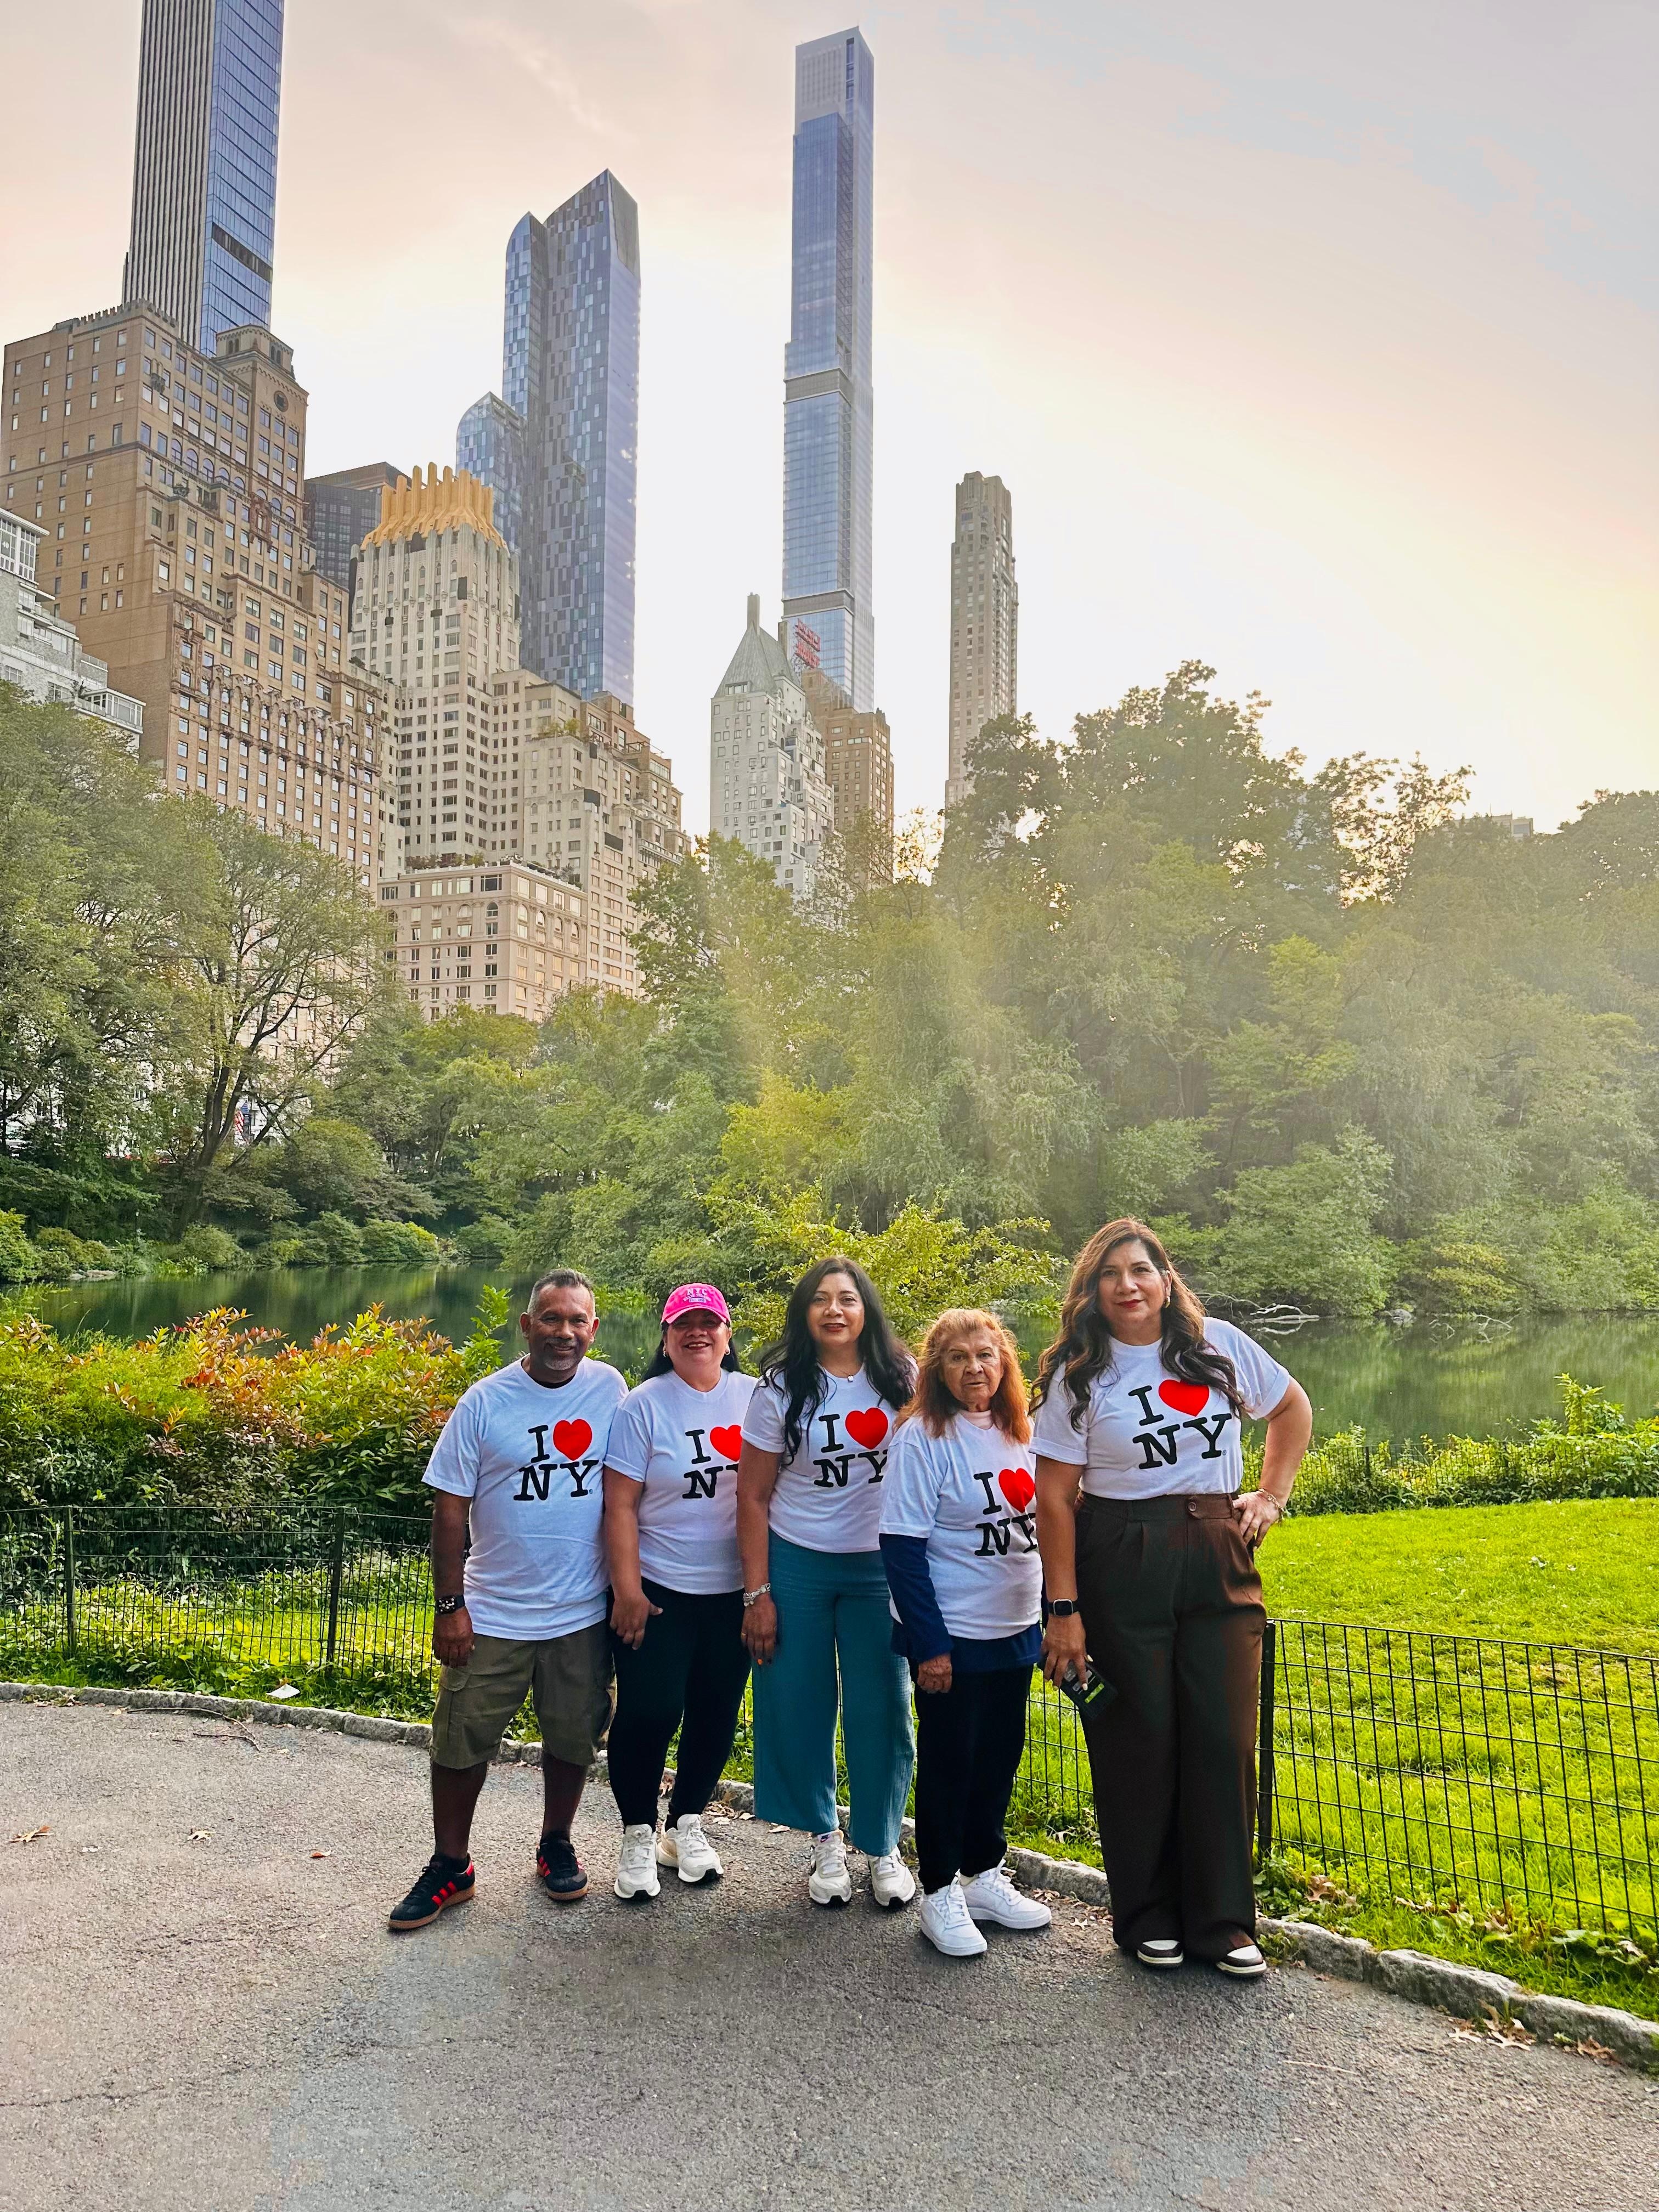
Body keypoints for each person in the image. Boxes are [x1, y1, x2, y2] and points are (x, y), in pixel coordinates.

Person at [1031, 1219, 1312, 1979]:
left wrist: (1271, 1496)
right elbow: (1053, 1499)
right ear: (1092, 1291)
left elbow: (1292, 1409)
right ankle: (1148, 1914)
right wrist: (1064, 1611)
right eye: (1110, 1274)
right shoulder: (1079, 1375)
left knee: (1224, 1735)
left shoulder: (1217, 1346)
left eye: (1141, 1270)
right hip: (1122, 1553)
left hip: (1218, 1548)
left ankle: (1223, 1922)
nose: (1127, 1285)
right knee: (1139, 1735)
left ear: (1165, 1279)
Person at [388, 1269, 625, 1932]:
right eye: (551, 1318)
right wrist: (450, 1605)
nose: (564, 1333)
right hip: (493, 1612)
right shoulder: (486, 1402)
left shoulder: (611, 1388)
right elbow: (449, 1508)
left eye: (577, 1321)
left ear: (594, 1329)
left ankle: (556, 1844)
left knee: (573, 1736)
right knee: (460, 1740)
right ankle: (451, 1864)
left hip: (581, 1611)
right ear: (527, 1326)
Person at [737, 1257, 918, 1909]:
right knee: (798, 1700)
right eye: (820, 1299)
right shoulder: (779, 1388)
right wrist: (757, 1594)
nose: (834, 1310)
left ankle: (883, 1843)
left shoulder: (903, 1378)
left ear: (867, 1309)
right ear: (804, 1313)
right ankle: (824, 1837)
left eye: (847, 1298)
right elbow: (752, 1496)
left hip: (880, 1567)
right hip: (798, 1562)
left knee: (884, 1707)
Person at [878, 1308, 1054, 1960]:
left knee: (1000, 1756)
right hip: (953, 1635)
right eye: (957, 1357)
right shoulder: (922, 1438)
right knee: (950, 1761)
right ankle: (939, 1890)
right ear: (937, 1370)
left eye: (985, 1355)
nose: (974, 1368)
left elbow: (1045, 1529)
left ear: (1004, 1362)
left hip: (1016, 1629)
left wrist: (1054, 1617)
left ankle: (984, 1875)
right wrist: (930, 1644)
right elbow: (901, 1548)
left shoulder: (1022, 1433)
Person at [602, 1283, 756, 1901]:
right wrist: (627, 1589)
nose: (698, 1333)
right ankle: (637, 1832)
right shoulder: (643, 1405)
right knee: (650, 1710)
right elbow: (620, 1505)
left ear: (727, 1334)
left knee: (716, 1711)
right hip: (660, 1589)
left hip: (735, 1592)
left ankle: (684, 1824)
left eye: (709, 1323)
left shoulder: (755, 1397)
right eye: (683, 1324)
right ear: (665, 1339)